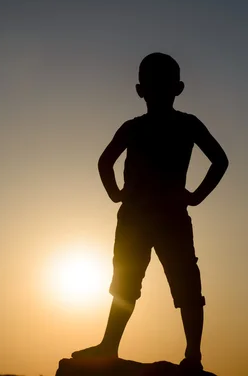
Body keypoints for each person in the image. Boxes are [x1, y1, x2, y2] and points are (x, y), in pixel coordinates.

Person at [71, 53, 229, 373]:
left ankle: (193, 356)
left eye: (162, 84)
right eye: (154, 84)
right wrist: (117, 194)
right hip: (138, 218)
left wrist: (195, 196)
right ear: (141, 90)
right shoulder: (138, 128)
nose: (158, 91)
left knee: (183, 283)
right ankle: (111, 346)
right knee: (129, 282)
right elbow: (105, 162)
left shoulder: (183, 125)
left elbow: (220, 160)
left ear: (177, 88)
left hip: (163, 216)